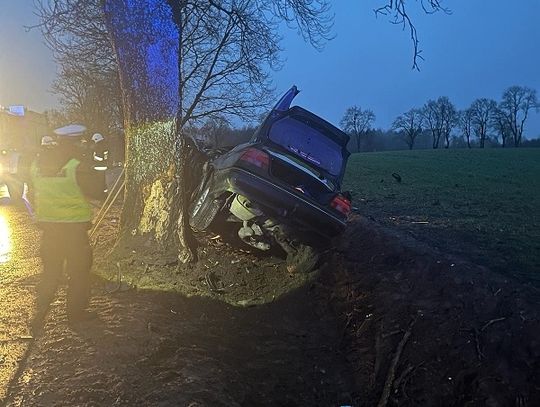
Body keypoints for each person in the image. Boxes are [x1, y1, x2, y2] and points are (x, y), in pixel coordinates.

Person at [30, 124, 104, 323]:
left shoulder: (37, 162)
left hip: (49, 228)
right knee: (79, 272)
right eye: (81, 141)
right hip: (74, 229)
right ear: (76, 141)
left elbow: (31, 191)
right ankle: (76, 315)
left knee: (51, 271)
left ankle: (40, 311)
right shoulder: (77, 163)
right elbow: (98, 191)